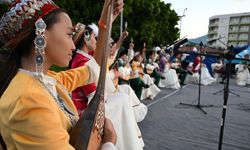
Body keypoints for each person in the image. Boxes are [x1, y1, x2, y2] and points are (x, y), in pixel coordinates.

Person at [0, 0, 124, 149]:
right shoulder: (28, 101)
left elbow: (95, 68)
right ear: (42, 35)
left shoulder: (48, 79)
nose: (73, 45)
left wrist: (105, 23)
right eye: (69, 34)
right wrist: (109, 141)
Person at [71, 23, 145, 149]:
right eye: (95, 37)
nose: (97, 41)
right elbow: (92, 94)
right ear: (86, 38)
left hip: (95, 96)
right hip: (86, 106)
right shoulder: (81, 61)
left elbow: (110, 52)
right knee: (122, 99)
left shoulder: (86, 57)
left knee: (123, 95)